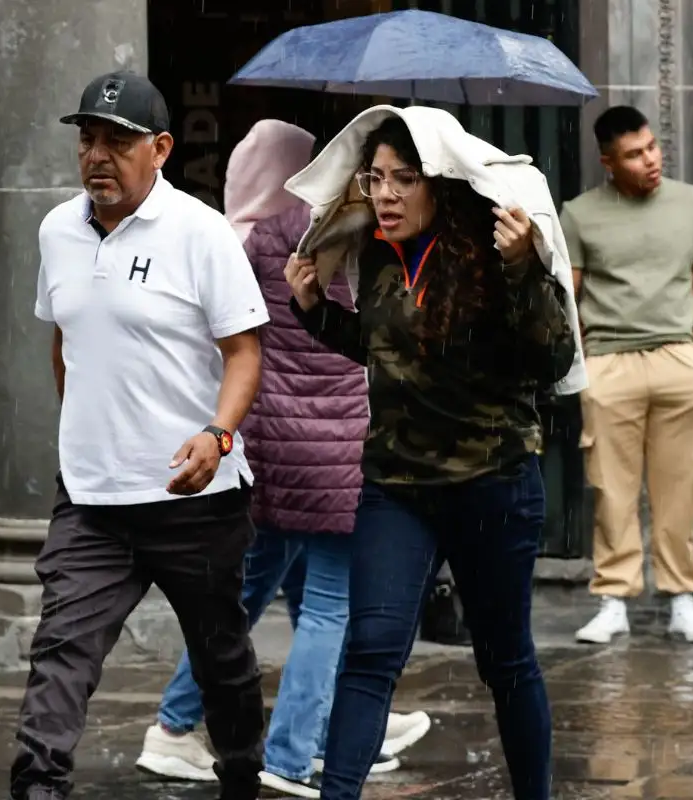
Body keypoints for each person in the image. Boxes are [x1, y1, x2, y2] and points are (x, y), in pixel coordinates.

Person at [285, 111, 580, 800]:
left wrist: (523, 267)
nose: (385, 194)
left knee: (505, 663)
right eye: (375, 178)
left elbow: (552, 358)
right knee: (371, 651)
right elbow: (384, 349)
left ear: (438, 185)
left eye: (404, 179)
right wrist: (314, 310)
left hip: (493, 486)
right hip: (398, 487)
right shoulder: (378, 254)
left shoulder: (495, 251)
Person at [135, 119, 432, 799]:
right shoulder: (358, 238)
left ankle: (179, 724)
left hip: (268, 451)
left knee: (243, 595)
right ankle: (296, 751)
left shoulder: (249, 239)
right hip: (336, 452)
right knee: (331, 604)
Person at [10, 71, 268, 800]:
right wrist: (86, 433)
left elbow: (245, 352)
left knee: (222, 660)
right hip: (92, 500)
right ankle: (37, 788)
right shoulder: (57, 230)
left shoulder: (202, 231)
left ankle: (242, 774)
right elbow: (64, 340)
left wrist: (218, 436)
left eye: (118, 143)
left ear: (160, 149)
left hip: (196, 500)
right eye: (87, 140)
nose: (97, 156)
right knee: (60, 655)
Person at [560, 105, 693, 646]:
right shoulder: (579, 214)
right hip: (610, 361)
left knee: (681, 486)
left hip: (679, 358)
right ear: (608, 162)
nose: (651, 159)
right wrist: (586, 360)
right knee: (611, 488)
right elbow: (568, 294)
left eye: (652, 146)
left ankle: (682, 598)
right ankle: (614, 600)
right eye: (634, 154)